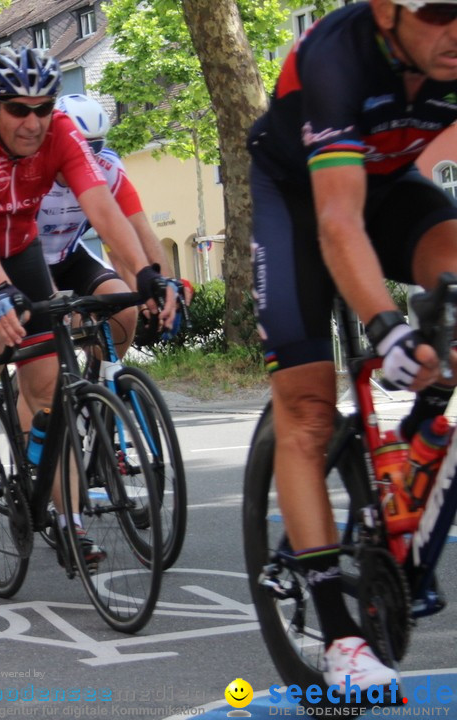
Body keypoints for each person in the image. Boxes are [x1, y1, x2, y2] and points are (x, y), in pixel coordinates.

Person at [248, 0, 457, 689]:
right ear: (389, 10)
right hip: (299, 198)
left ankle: (420, 451)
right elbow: (337, 220)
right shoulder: (337, 54)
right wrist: (385, 323)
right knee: (306, 406)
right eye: (441, 11)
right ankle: (340, 638)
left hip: (391, 189)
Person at [0, 47, 169, 565]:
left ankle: (67, 520)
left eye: (43, 108)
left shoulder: (61, 135)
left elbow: (103, 209)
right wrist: (0, 286)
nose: (32, 122)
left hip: (22, 250)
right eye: (18, 109)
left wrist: (146, 274)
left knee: (51, 393)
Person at [37, 93, 178, 359]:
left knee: (123, 310)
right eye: (79, 146)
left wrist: (165, 285)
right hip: (27, 258)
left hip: (68, 255)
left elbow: (139, 228)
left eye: (96, 147)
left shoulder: (107, 167)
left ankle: (100, 383)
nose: (85, 157)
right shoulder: (33, 169)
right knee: (56, 327)